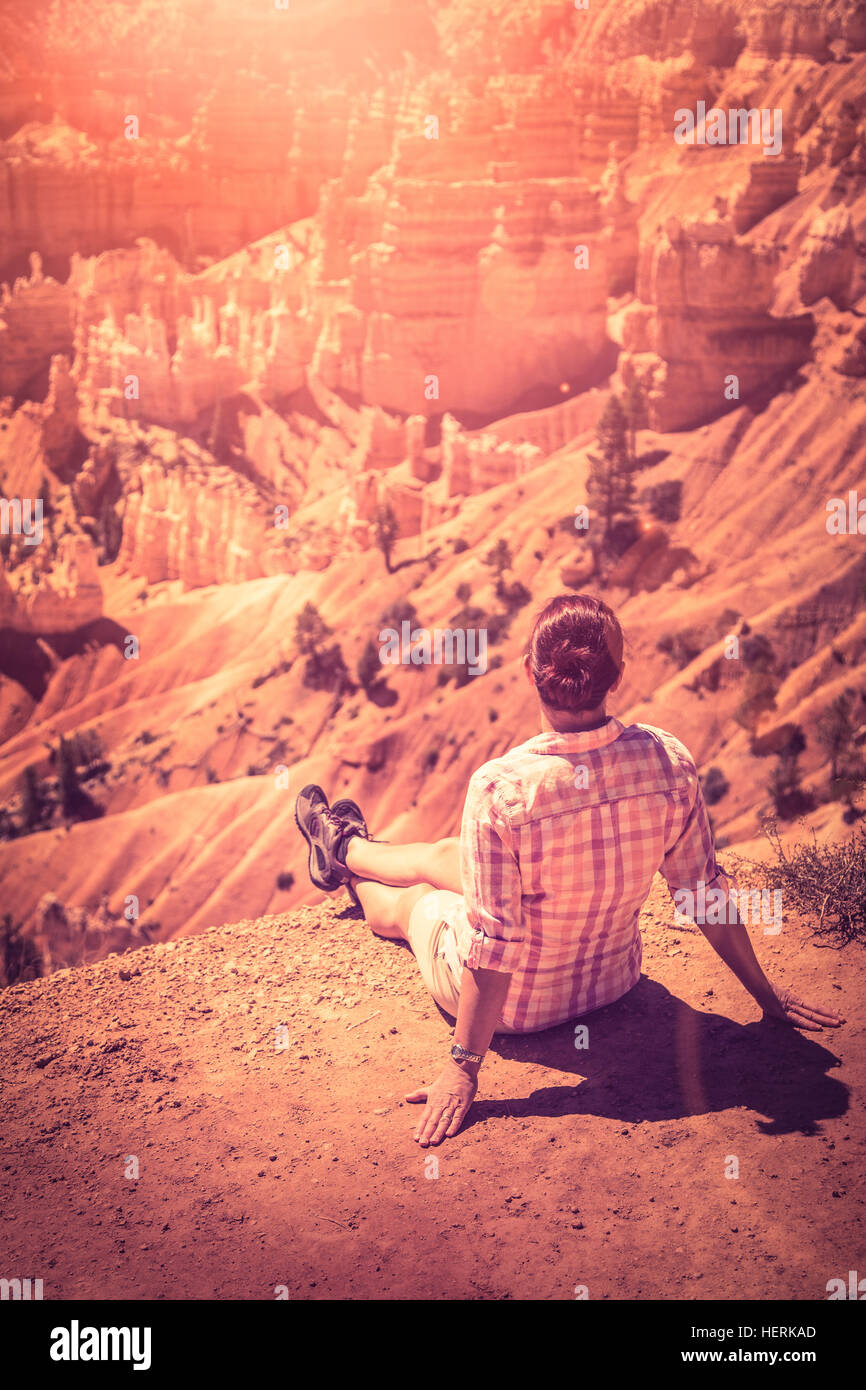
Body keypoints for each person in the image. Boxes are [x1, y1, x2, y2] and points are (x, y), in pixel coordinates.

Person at [294, 593, 844, 1148]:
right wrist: (766, 996)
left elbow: (495, 944)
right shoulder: (668, 763)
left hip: (516, 1010)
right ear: (619, 675)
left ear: (531, 673)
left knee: (415, 903)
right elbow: (702, 894)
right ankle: (344, 844)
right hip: (613, 982)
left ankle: (353, 875)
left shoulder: (501, 789)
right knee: (446, 854)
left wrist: (463, 1068)